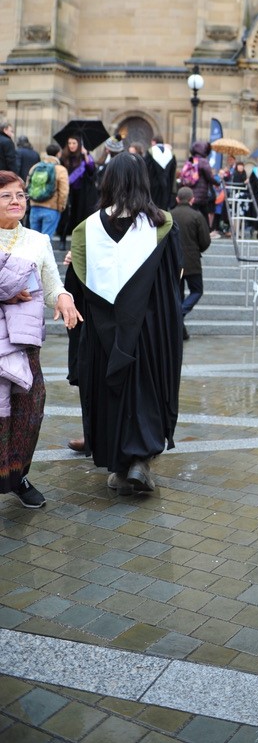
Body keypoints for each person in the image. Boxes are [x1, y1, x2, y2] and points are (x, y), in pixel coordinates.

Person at [65, 153, 183, 495]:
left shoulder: (86, 229)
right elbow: (174, 281)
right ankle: (139, 460)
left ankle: (119, 464)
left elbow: (77, 287)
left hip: (103, 333)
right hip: (147, 331)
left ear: (107, 183)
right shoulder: (162, 225)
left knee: (108, 391)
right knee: (145, 390)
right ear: (143, 182)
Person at [0, 171, 80, 509]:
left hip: (23, 340)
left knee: (31, 407)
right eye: (7, 196)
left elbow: (51, 284)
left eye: (20, 195)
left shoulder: (37, 240)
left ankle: (15, 475)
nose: (16, 201)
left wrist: (64, 297)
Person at [172, 185, 211, 339]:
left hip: (174, 261)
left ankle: (180, 330)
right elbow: (205, 240)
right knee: (197, 290)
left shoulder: (169, 215)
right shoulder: (197, 216)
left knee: (178, 294)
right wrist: (197, 250)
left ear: (177, 199)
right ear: (192, 200)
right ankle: (180, 314)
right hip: (192, 261)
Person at [59, 136, 96, 247]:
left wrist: (85, 155)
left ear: (79, 144)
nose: (71, 145)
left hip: (81, 192)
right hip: (68, 191)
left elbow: (91, 170)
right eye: (69, 143)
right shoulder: (64, 157)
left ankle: (78, 241)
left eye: (74, 143)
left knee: (80, 214)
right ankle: (62, 240)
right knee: (67, 215)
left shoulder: (85, 157)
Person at [27, 142, 69, 240]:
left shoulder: (35, 167)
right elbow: (64, 191)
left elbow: (28, 185)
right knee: (46, 241)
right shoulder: (60, 169)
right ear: (59, 154)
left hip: (35, 206)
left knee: (34, 240)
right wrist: (60, 207)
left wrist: (32, 202)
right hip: (51, 208)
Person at [146, 135, 177, 210]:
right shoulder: (170, 153)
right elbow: (173, 172)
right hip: (167, 187)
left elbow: (146, 169)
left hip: (152, 187)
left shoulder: (150, 152)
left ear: (153, 142)